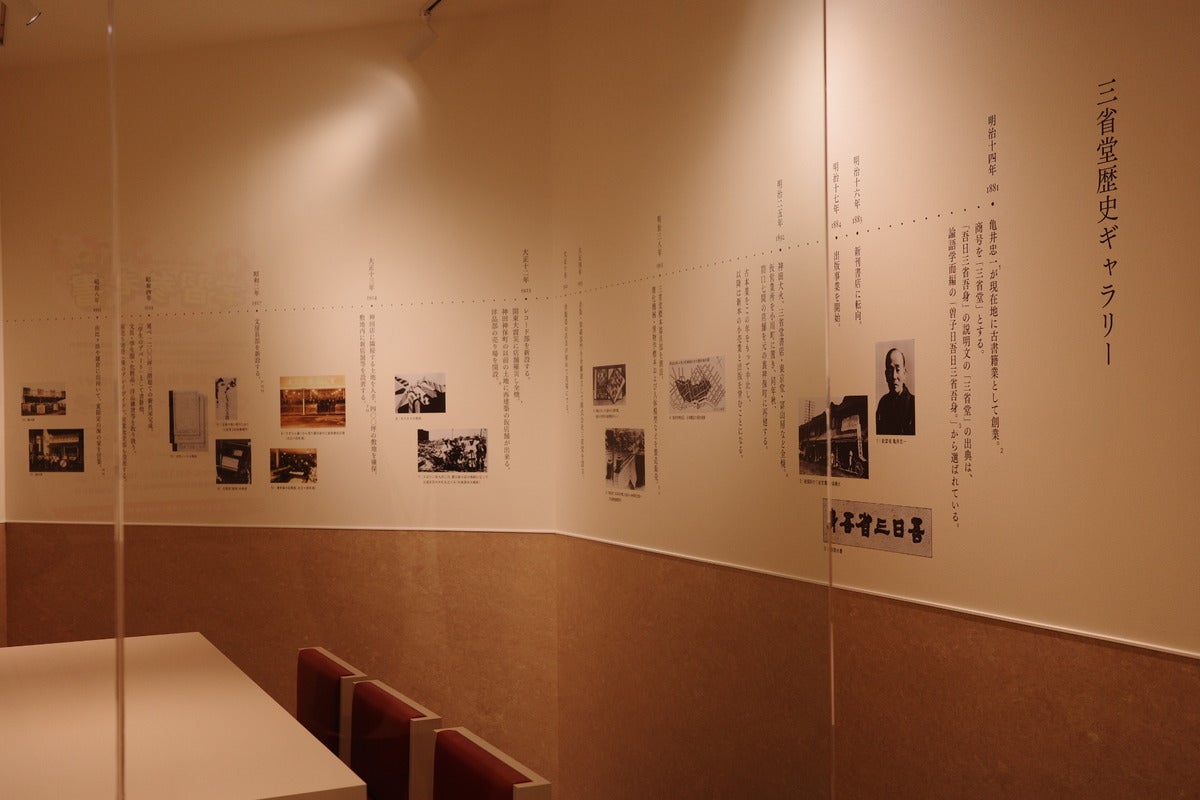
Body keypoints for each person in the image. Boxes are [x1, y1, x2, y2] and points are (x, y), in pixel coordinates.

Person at [875, 347, 915, 435]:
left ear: (904, 373)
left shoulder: (914, 404)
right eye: (890, 370)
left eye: (898, 370)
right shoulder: (883, 403)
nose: (894, 376)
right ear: (886, 375)